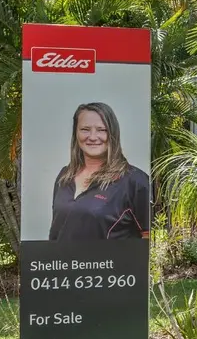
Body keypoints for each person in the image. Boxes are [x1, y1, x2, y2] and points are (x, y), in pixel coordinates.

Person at [49, 102, 150, 240]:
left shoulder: (135, 181)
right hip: (63, 262)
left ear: (113, 134)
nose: (92, 137)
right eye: (85, 129)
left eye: (102, 130)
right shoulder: (64, 177)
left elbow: (148, 238)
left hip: (110, 262)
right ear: (76, 133)